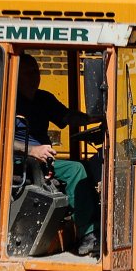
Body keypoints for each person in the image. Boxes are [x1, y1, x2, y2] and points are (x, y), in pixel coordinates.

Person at [14, 52, 100, 255]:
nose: (34, 75)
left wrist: (96, 118)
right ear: (16, 74)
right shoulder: (8, 100)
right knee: (75, 170)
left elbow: (68, 116)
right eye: (27, 71)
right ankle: (88, 235)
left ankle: (92, 228)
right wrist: (32, 150)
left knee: (87, 166)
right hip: (18, 163)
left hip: (43, 162)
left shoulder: (43, 98)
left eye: (36, 70)